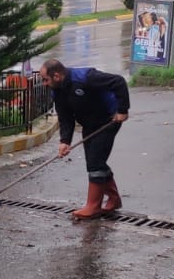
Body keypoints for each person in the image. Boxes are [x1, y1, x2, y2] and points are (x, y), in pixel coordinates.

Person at [41, 57, 130, 220]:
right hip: (89, 124)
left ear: (56, 76)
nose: (44, 83)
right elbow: (65, 117)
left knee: (95, 162)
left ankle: (93, 207)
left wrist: (123, 110)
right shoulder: (57, 90)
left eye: (45, 79)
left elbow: (118, 82)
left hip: (109, 120)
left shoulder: (86, 77)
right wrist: (64, 142)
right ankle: (114, 199)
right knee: (94, 161)